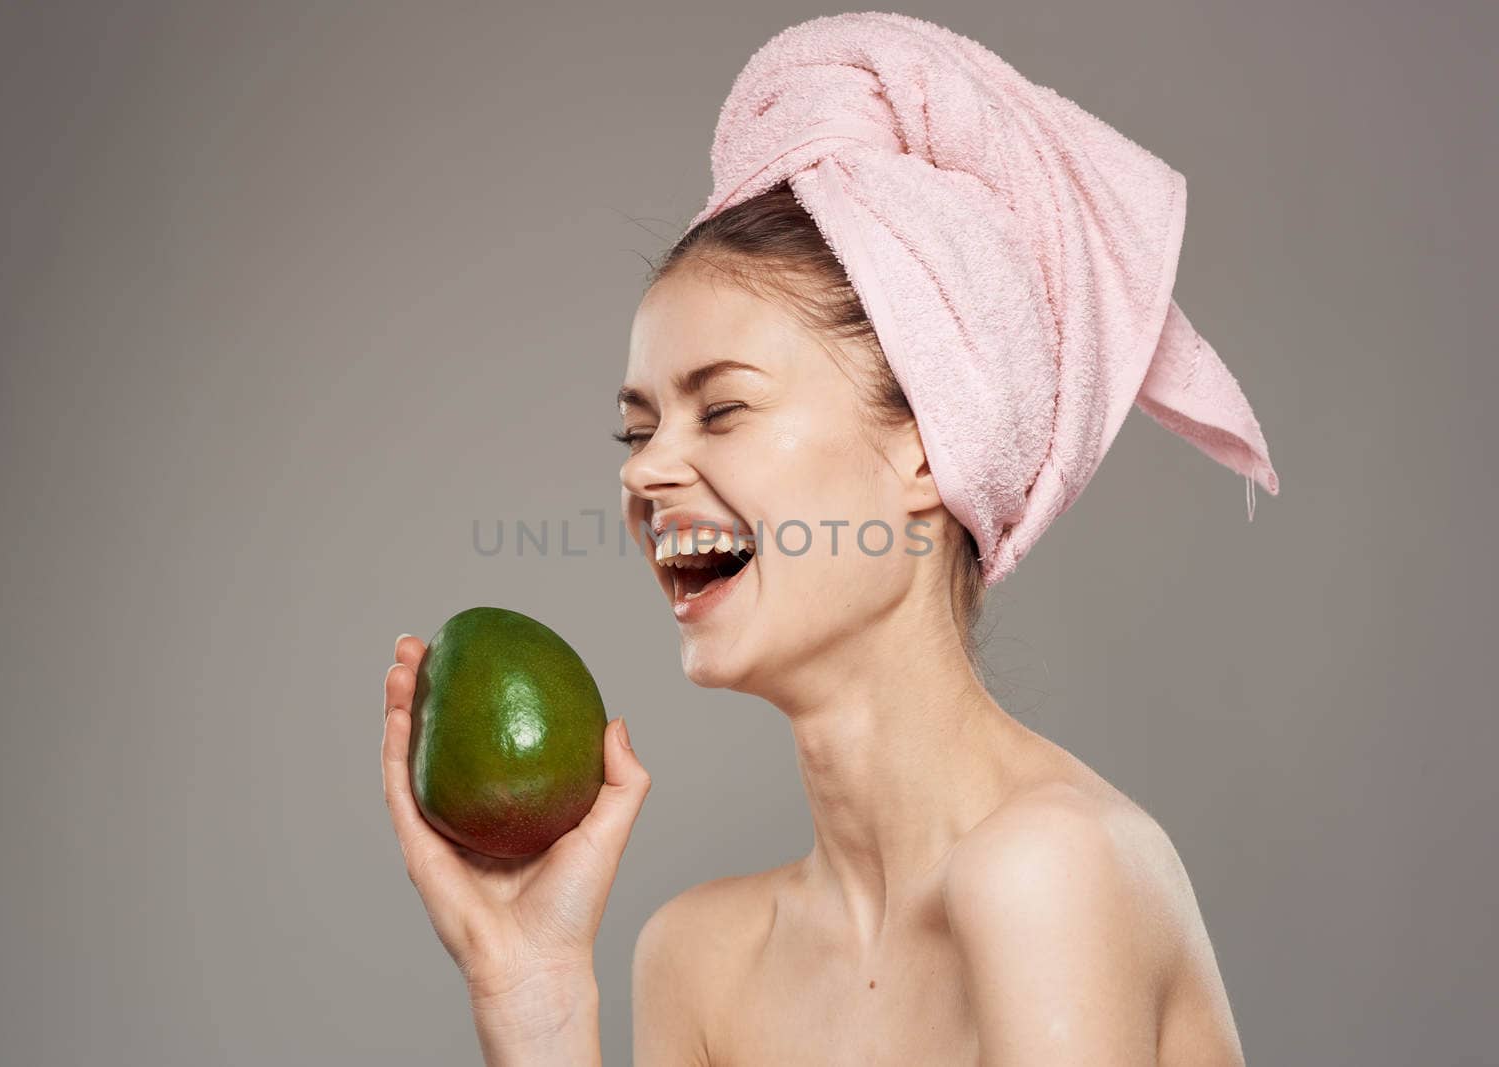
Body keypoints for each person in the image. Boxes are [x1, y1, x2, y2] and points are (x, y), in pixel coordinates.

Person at [384, 12, 1277, 1063]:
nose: (641, 470)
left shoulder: (1050, 871)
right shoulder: (696, 958)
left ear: (927, 447)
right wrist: (530, 996)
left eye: (720, 410)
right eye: (636, 427)